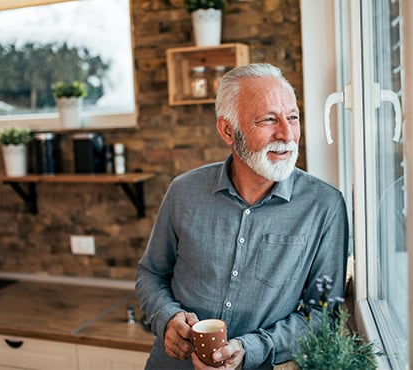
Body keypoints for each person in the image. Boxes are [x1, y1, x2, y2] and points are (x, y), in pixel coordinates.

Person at [136, 63, 349, 369]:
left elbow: (324, 315)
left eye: (293, 117)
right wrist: (166, 318)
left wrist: (251, 348)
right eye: (268, 120)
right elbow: (151, 273)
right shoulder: (183, 191)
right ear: (227, 130)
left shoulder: (325, 206)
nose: (287, 135)